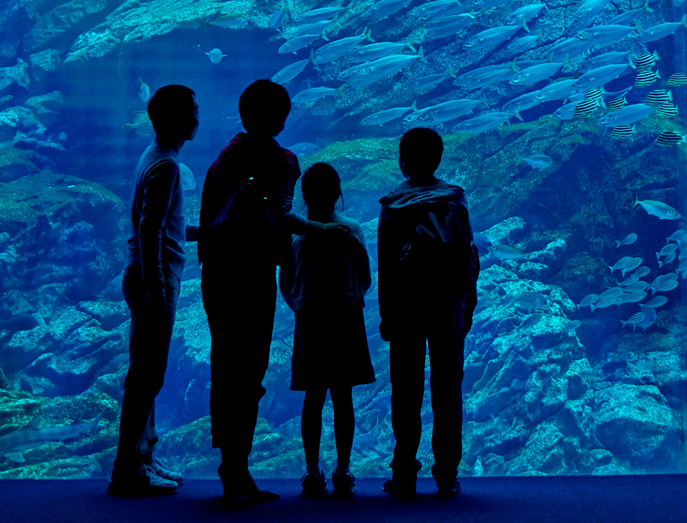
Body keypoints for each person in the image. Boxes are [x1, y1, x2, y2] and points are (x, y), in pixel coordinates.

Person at [197, 79, 351, 504]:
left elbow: (210, 221)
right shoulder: (281, 161)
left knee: (226, 367)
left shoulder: (223, 158)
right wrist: (324, 229)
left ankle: (232, 467)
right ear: (279, 117)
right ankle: (238, 470)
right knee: (249, 371)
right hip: (252, 277)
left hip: (217, 277)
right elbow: (282, 217)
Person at [378, 127, 480, 499]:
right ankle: (447, 473)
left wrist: (386, 315)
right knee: (447, 389)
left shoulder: (392, 206)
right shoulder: (455, 200)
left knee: (405, 390)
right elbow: (470, 258)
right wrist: (466, 306)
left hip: (405, 307)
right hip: (447, 305)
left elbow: (386, 268)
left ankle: (404, 472)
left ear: (402, 160)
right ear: (438, 160)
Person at [108, 84, 198, 497]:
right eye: (193, 112)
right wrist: (157, 286)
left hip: (147, 273)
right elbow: (149, 230)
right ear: (179, 119)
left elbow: (163, 224)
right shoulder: (166, 165)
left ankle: (143, 454)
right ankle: (128, 466)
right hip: (154, 277)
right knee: (146, 375)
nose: (198, 119)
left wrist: (199, 232)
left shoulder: (157, 156)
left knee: (148, 371)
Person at [280, 162, 374, 498]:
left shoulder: (297, 236)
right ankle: (343, 468)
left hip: (309, 320)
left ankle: (311, 470)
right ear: (338, 194)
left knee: (313, 397)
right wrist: (351, 297)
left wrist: (304, 304)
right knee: (343, 397)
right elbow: (365, 276)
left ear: (303, 195)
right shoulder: (351, 229)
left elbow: (286, 284)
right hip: (346, 316)